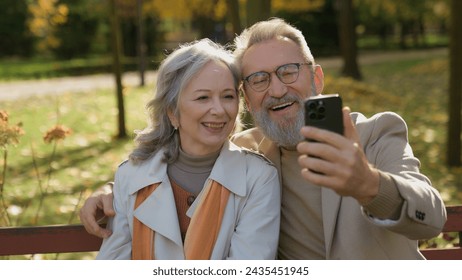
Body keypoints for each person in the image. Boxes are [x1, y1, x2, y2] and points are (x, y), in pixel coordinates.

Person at [81, 18, 446, 259]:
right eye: (258, 79)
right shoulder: (249, 153)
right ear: (248, 97)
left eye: (288, 71)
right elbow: (178, 164)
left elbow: (430, 217)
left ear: (316, 79)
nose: (276, 89)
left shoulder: (375, 134)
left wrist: (368, 184)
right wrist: (113, 191)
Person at [95, 38, 281, 260]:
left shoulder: (259, 177)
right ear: (172, 112)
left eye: (228, 97)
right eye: (203, 97)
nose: (219, 110)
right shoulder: (131, 176)